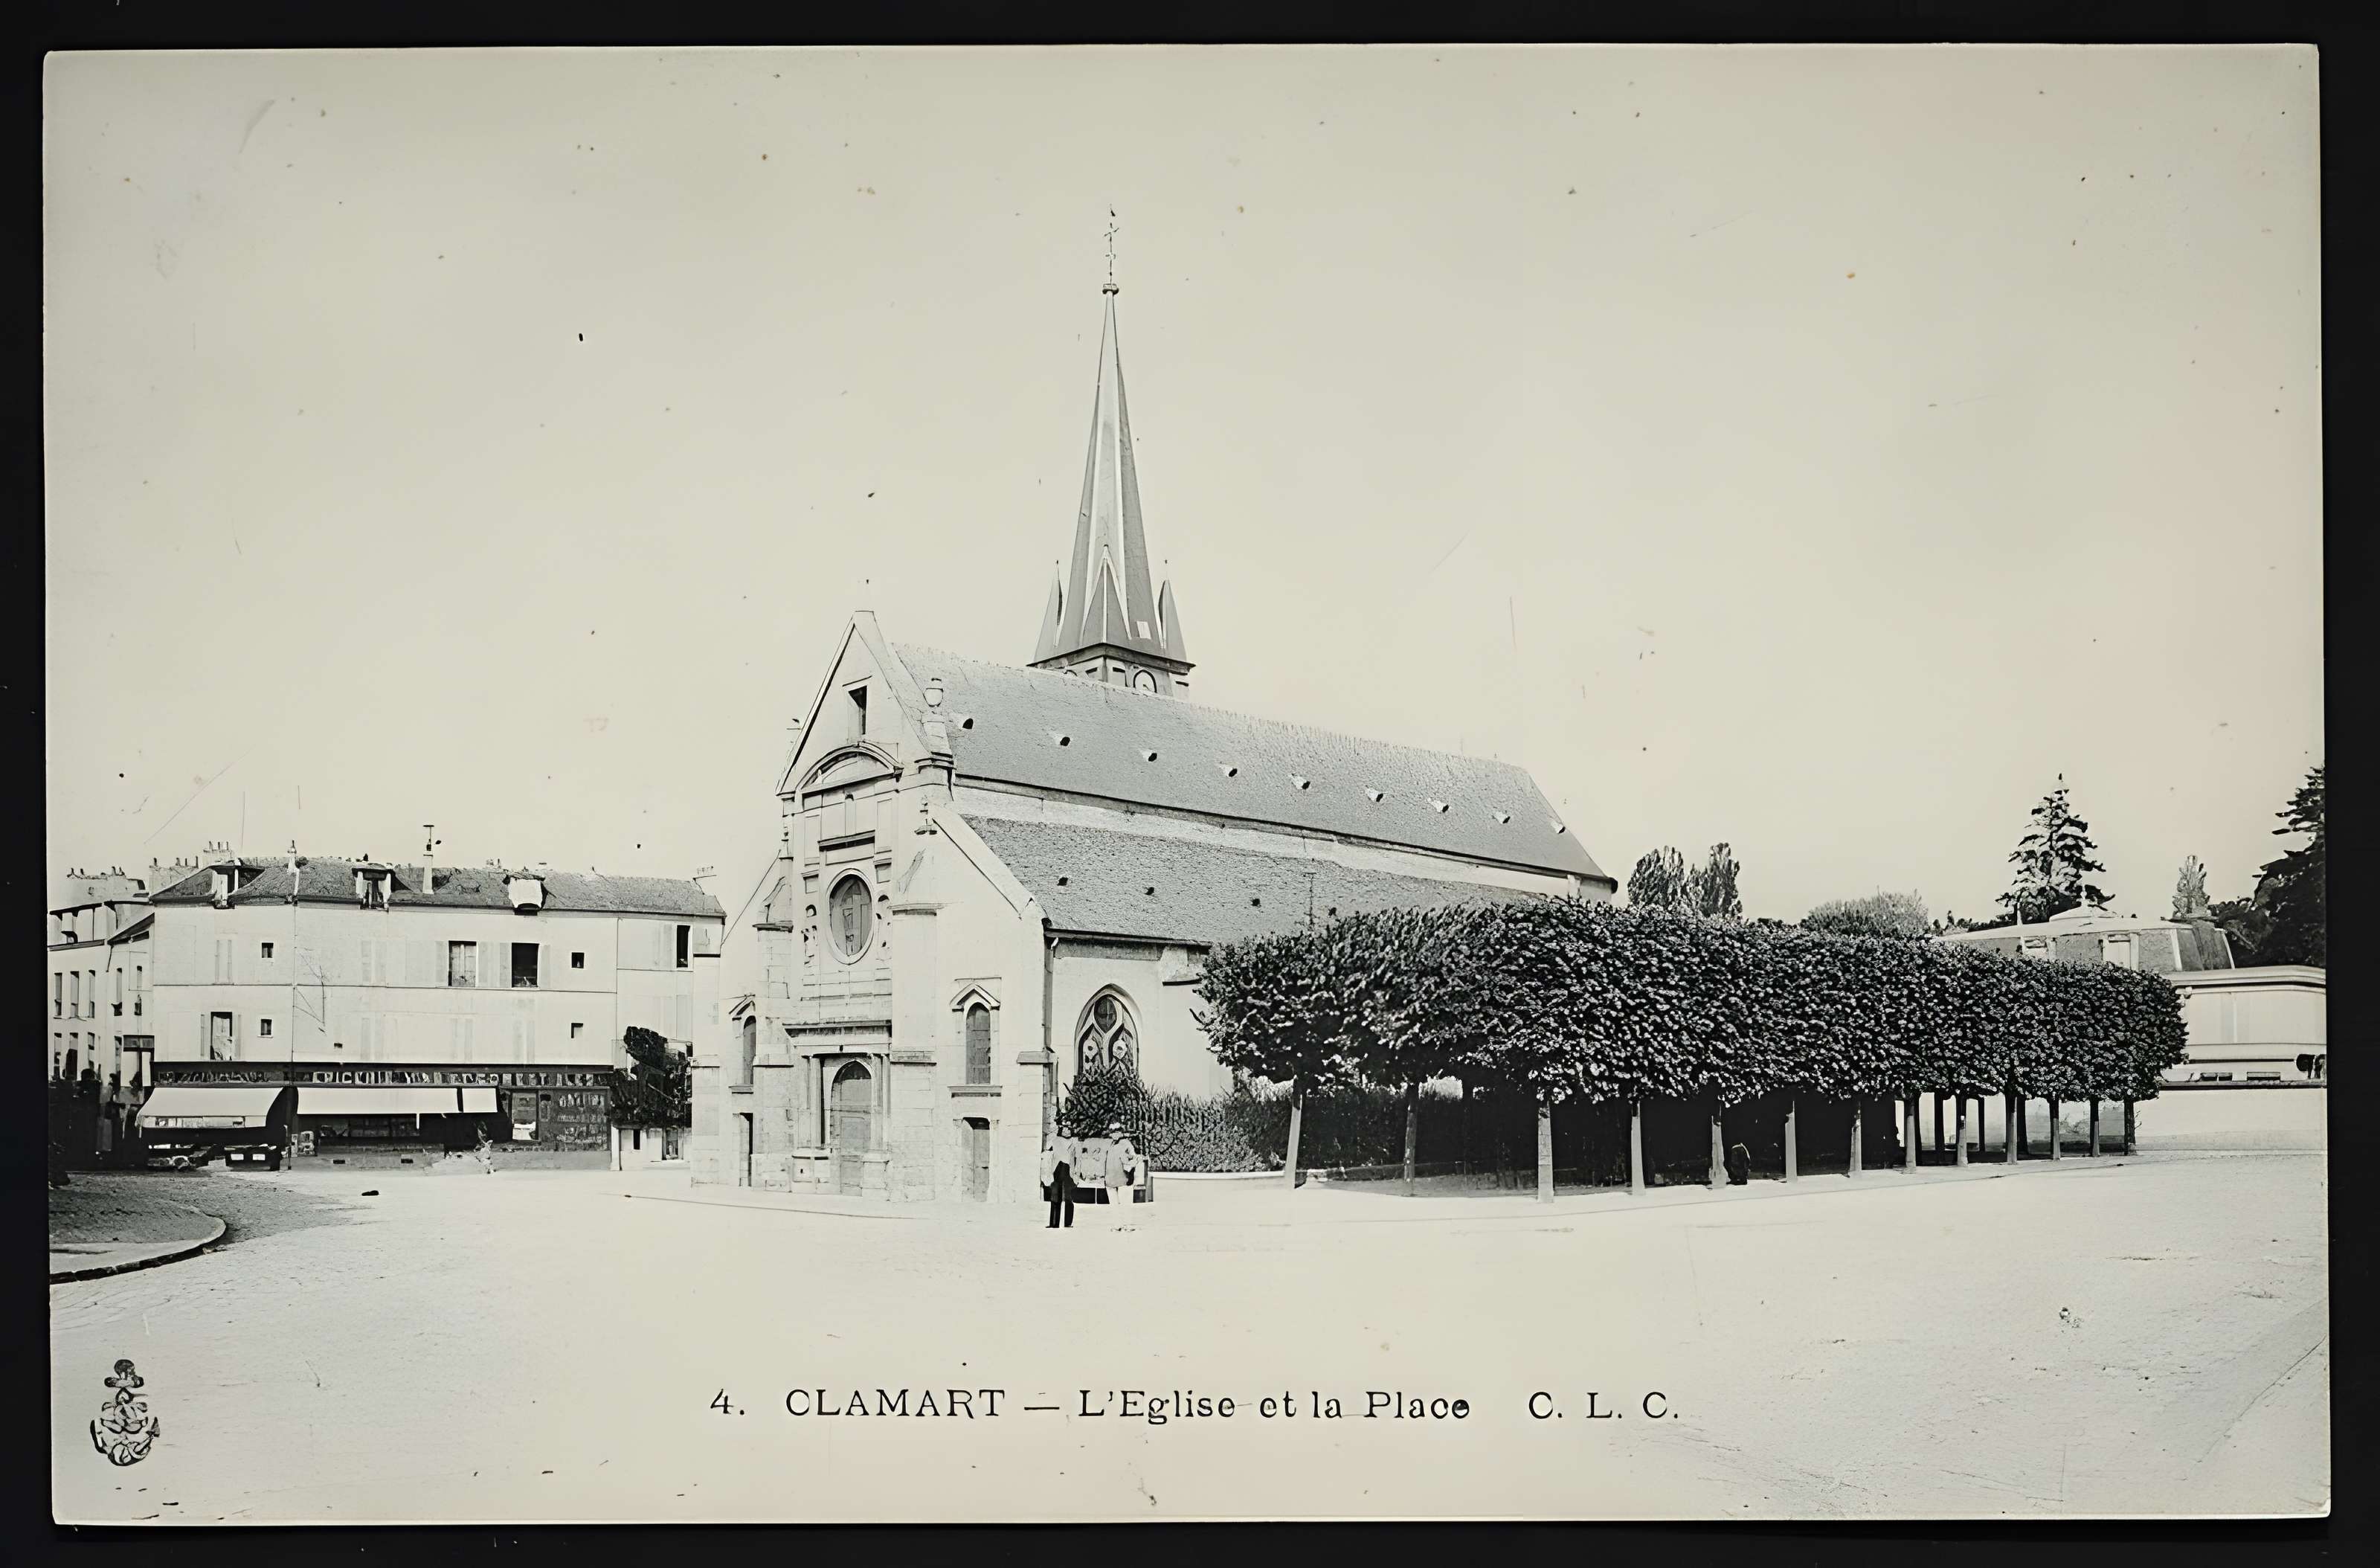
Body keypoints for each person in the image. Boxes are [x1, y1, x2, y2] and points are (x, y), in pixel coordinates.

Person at [1101, 1122, 1142, 1228]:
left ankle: (1127, 1224)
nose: (1115, 1134)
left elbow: (1134, 1158)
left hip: (1123, 1178)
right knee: (1114, 1204)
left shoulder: (1126, 1144)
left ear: (1121, 1133)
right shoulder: (1109, 1144)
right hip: (1110, 1179)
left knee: (1125, 1203)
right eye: (1113, 1132)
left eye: (1118, 1132)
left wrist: (1130, 1169)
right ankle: (1118, 1224)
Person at [1040, 1130, 1078, 1229]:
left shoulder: (1073, 1142)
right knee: (1055, 1197)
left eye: (1068, 1130)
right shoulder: (1056, 1140)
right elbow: (1047, 1150)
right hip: (1057, 1169)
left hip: (1068, 1171)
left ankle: (1067, 1223)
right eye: (1064, 1130)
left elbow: (1076, 1159)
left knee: (1068, 1198)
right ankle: (1054, 1223)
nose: (1067, 1132)